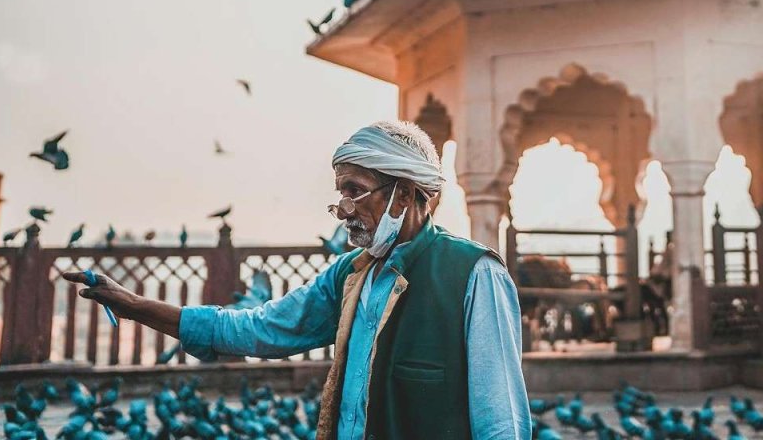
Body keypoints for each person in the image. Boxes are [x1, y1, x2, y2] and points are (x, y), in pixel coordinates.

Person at [64, 119, 531, 440]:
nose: (344, 210)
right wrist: (133, 306)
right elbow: (258, 328)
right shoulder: (351, 275)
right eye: (339, 194)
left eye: (355, 191)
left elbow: (500, 420)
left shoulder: (474, 275)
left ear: (405, 193)